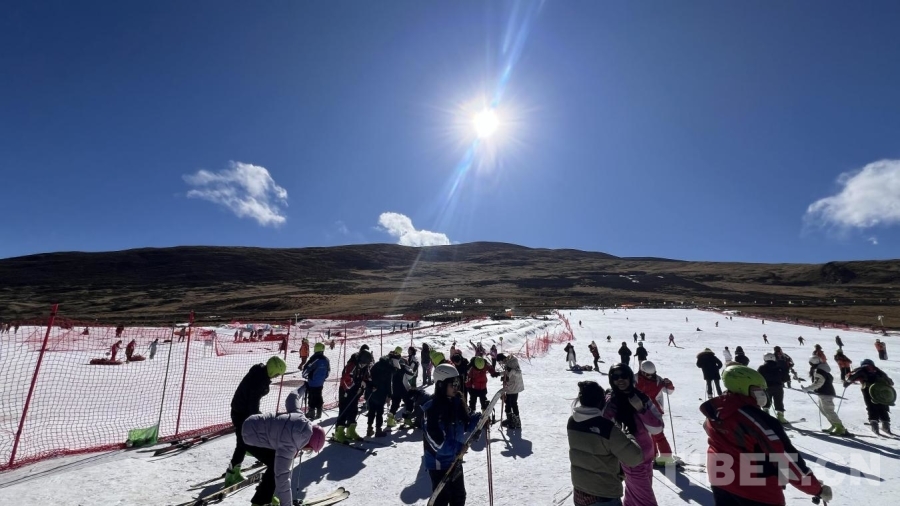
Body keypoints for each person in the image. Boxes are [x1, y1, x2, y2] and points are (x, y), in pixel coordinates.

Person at [700, 365, 833, 506]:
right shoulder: (759, 421)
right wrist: (815, 488)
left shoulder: (716, 411)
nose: (763, 393)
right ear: (743, 388)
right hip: (757, 492)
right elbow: (785, 459)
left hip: (721, 481)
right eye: (758, 389)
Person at [241, 386, 326, 506]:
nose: (306, 451)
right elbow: (283, 480)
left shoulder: (300, 417)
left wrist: (304, 387)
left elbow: (292, 398)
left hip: (252, 421)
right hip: (249, 437)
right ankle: (260, 502)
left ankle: (267, 495)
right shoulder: (289, 445)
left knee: (275, 463)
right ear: (309, 443)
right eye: (309, 449)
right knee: (275, 469)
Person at [568, 380, 643, 506]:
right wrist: (629, 435)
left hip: (580, 492)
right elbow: (635, 457)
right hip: (603, 494)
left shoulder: (572, 422)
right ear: (600, 402)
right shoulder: (606, 428)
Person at [601, 363, 664, 506]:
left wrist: (641, 409)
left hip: (647, 457)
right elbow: (604, 428)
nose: (620, 380)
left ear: (630, 377)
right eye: (615, 377)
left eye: (623, 375)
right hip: (631, 458)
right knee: (646, 502)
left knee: (633, 498)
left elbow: (657, 428)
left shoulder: (641, 397)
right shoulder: (611, 402)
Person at [423, 363, 480, 506]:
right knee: (442, 499)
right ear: (441, 385)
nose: (456, 387)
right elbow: (436, 442)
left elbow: (466, 424)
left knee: (459, 497)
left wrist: (478, 420)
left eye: (457, 383)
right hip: (439, 464)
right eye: (452, 384)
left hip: (455, 460)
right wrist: (458, 447)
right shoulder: (432, 410)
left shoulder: (457, 402)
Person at [225, 356, 286, 487]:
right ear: (272, 370)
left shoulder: (260, 373)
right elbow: (253, 403)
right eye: (276, 374)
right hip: (241, 413)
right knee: (242, 442)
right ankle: (231, 473)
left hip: (240, 410)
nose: (276, 377)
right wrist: (257, 419)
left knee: (241, 442)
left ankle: (234, 470)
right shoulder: (259, 381)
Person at [635, 361, 675, 465]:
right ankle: (653, 456)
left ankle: (666, 458)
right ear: (642, 372)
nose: (651, 376)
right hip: (640, 411)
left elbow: (670, 391)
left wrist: (668, 384)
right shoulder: (634, 379)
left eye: (653, 374)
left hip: (655, 411)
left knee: (658, 434)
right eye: (648, 375)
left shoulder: (658, 379)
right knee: (646, 435)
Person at [845, 359, 895, 435]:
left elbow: (850, 378)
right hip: (881, 391)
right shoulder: (878, 371)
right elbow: (891, 383)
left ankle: (874, 424)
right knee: (882, 406)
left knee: (871, 406)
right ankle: (886, 425)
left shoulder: (861, 370)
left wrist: (848, 381)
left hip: (868, 390)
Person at [334, 346, 372, 443]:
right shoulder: (352, 365)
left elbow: (367, 377)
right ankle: (339, 432)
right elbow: (346, 379)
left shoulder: (365, 366)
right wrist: (355, 387)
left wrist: (367, 384)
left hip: (356, 392)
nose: (364, 365)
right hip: (346, 390)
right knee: (344, 409)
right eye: (363, 363)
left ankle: (350, 430)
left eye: (366, 364)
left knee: (353, 410)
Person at [803, 356, 846, 435]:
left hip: (826, 393)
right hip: (824, 393)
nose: (810, 365)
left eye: (810, 363)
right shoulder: (823, 370)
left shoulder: (819, 371)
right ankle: (834, 425)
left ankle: (840, 428)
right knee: (824, 410)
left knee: (829, 410)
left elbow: (818, 383)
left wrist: (808, 388)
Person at [367, 352, 395, 437]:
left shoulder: (376, 365)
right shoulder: (388, 368)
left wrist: (370, 388)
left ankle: (369, 428)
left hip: (372, 391)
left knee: (371, 410)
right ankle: (378, 429)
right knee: (379, 412)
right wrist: (389, 395)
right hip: (381, 393)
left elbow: (369, 377)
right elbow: (388, 383)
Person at [388, 348, 417, 429]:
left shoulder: (391, 367)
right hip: (404, 387)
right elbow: (410, 375)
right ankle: (407, 419)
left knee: (395, 404)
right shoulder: (403, 367)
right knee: (409, 402)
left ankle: (390, 420)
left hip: (394, 388)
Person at [301, 342, 329, 420]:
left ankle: (311, 412)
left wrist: (305, 376)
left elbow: (306, 370)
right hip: (320, 382)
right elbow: (328, 371)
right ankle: (319, 412)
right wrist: (323, 378)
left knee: (311, 396)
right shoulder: (326, 360)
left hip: (312, 382)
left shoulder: (314, 359)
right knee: (319, 395)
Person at [758, 353, 788, 423]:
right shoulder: (779, 367)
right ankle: (780, 417)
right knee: (779, 401)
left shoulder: (762, 368)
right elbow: (785, 378)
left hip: (766, 387)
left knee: (766, 401)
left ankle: (766, 416)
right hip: (778, 387)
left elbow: (758, 377)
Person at [496, 353, 524, 429]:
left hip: (515, 386)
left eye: (500, 362)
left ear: (502, 359)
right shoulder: (507, 363)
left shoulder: (513, 361)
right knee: (507, 402)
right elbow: (507, 373)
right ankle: (510, 419)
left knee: (513, 403)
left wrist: (511, 370)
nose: (500, 364)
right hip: (509, 386)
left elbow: (518, 373)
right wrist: (498, 374)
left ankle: (517, 422)